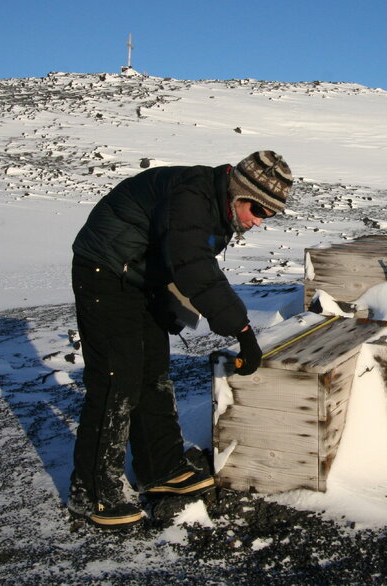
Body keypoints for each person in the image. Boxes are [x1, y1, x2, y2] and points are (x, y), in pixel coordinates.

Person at [67, 150, 293, 528]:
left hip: (142, 274)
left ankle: (160, 468)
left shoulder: (219, 206)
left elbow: (185, 260)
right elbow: (194, 265)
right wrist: (242, 330)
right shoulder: (193, 196)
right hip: (105, 269)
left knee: (153, 371)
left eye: (270, 215)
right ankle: (91, 489)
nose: (260, 221)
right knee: (115, 380)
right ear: (239, 193)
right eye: (259, 210)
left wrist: (173, 306)